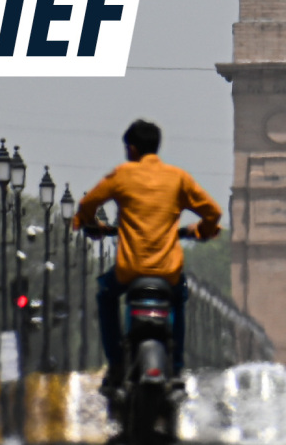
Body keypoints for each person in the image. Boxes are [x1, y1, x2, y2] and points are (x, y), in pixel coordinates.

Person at [73, 119, 223, 391]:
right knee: (180, 297)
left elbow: (87, 204)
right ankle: (176, 368)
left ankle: (116, 362)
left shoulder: (123, 175)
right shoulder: (178, 178)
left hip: (130, 271)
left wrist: (91, 225)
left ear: (131, 149)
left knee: (105, 295)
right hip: (167, 272)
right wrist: (201, 231)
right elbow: (213, 213)